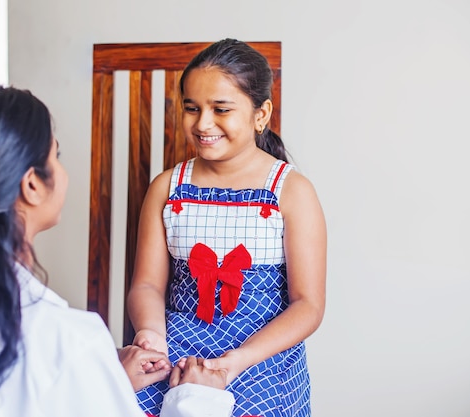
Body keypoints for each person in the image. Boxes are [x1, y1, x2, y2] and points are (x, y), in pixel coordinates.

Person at [0, 85, 235, 417]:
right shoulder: (67, 342)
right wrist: (197, 401)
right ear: (31, 184)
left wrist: (100, 380)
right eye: (56, 156)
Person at [127, 38, 327, 417]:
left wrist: (237, 361)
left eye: (220, 109)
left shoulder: (291, 191)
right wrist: (151, 337)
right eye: (191, 108)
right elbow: (147, 284)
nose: (203, 123)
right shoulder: (166, 188)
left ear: (260, 114)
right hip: (180, 344)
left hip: (261, 353)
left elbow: (309, 305)